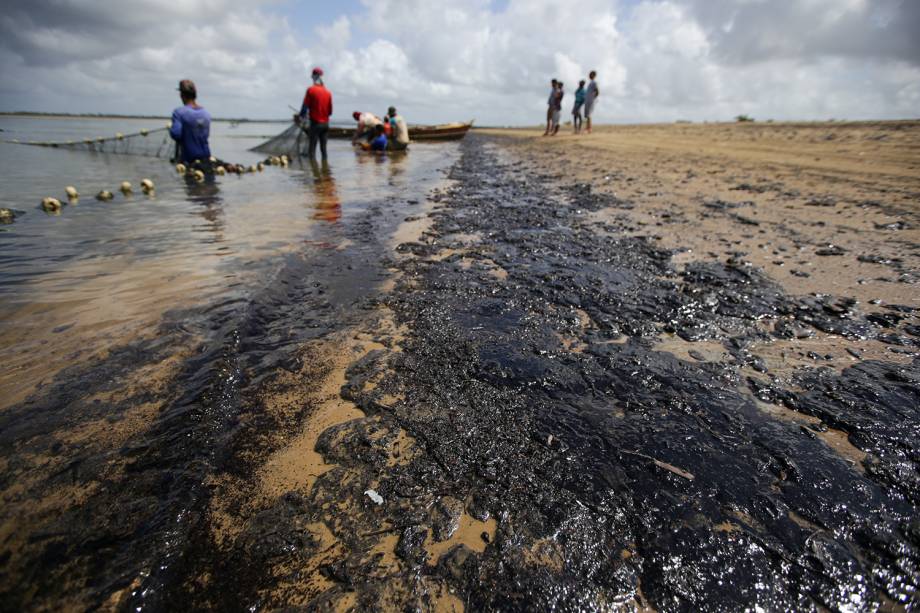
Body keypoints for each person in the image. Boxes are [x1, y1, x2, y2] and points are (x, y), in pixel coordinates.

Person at [170, 79, 211, 164]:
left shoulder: (179, 113)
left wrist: (171, 128)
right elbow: (205, 135)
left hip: (189, 160)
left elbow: (176, 134)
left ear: (182, 95)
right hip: (206, 158)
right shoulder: (206, 113)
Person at [296, 67, 333, 160]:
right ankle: (325, 171)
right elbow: (330, 112)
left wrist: (301, 116)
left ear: (313, 77)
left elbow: (304, 107)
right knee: (323, 149)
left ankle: (314, 172)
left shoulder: (311, 90)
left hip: (315, 124)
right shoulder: (328, 92)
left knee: (312, 150)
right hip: (326, 125)